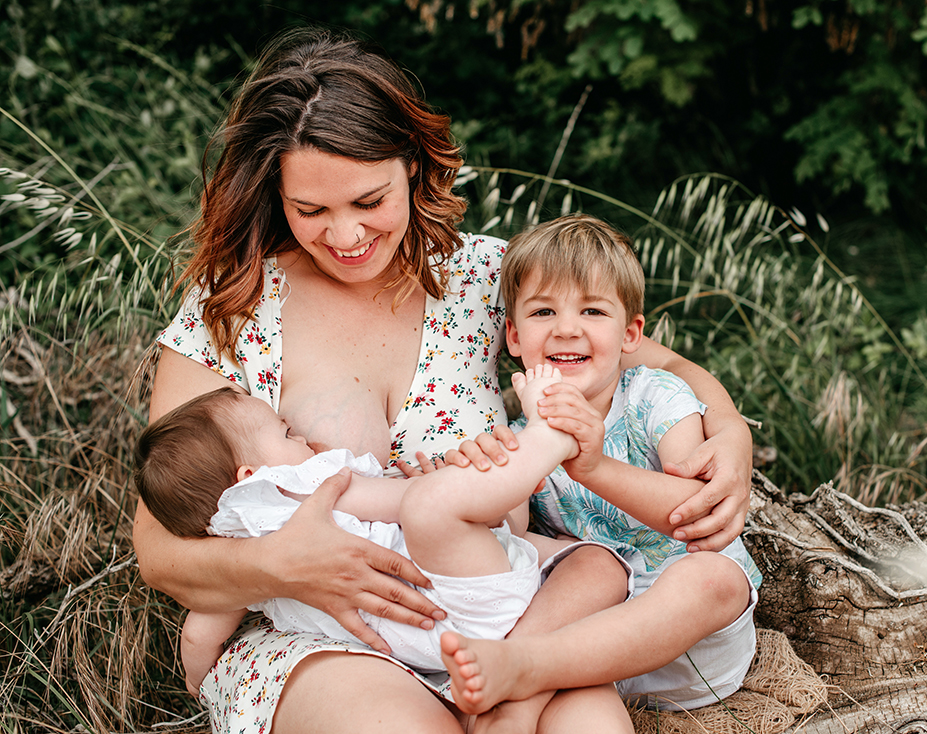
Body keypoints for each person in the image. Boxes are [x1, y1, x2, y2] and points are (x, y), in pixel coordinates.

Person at [135, 25, 756, 734]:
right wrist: (284, 564)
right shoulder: (234, 304)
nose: (345, 235)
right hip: (329, 637)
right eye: (311, 211)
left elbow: (655, 360)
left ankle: (507, 687)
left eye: (369, 201)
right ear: (276, 195)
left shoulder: (481, 279)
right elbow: (159, 550)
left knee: (589, 725)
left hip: (501, 610)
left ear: (413, 166)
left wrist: (729, 429)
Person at [438, 213, 761, 716]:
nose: (567, 329)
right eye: (543, 312)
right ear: (515, 338)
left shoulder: (656, 398)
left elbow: (692, 510)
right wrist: (478, 479)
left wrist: (593, 467)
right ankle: (517, 698)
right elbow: (512, 529)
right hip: (586, 648)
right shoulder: (523, 435)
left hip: (687, 644)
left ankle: (526, 670)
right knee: (557, 571)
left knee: (712, 578)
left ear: (631, 333)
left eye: (592, 311)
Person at [134, 369, 627, 697]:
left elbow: (199, 637)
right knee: (432, 504)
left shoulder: (231, 555)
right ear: (250, 477)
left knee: (443, 509)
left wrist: (199, 689)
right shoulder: (304, 486)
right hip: (463, 596)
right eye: (285, 434)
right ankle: (548, 435)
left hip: (427, 650)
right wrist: (444, 484)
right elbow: (401, 503)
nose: (302, 437)